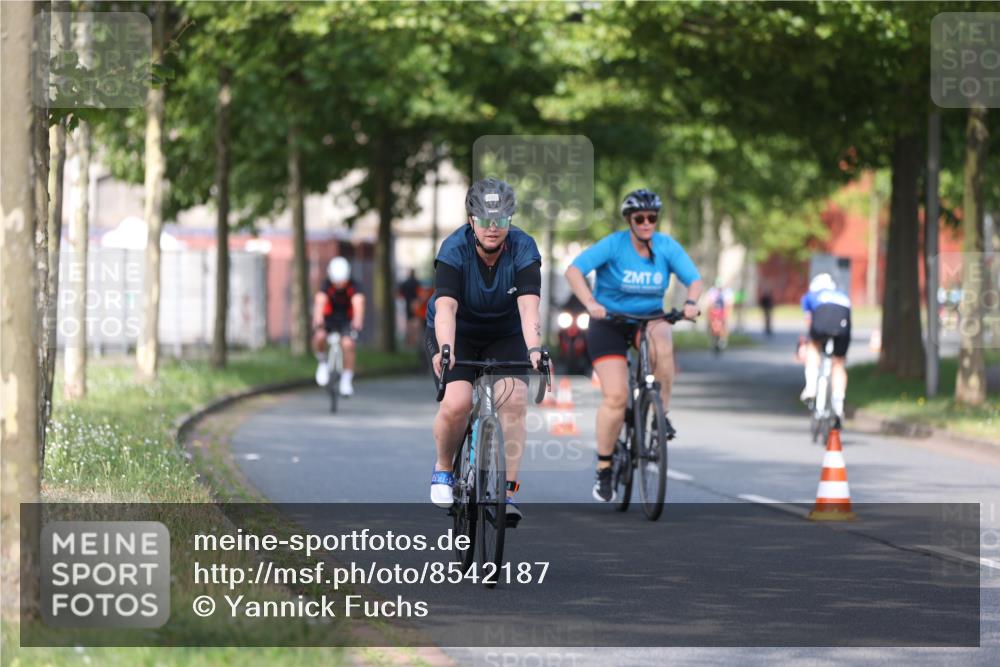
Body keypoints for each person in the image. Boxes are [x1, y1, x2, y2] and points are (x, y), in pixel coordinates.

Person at [565, 188, 703, 503]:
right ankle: (604, 468)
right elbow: (574, 271)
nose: (646, 223)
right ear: (629, 220)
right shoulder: (614, 245)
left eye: (651, 218)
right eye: (639, 218)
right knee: (615, 397)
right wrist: (590, 303)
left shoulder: (667, 247)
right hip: (609, 320)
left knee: (663, 345)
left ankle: (660, 413)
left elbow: (693, 279)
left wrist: (692, 302)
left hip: (650, 318)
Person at [425, 177, 544, 526]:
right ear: (471, 220)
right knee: (458, 401)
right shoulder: (453, 249)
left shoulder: (524, 248)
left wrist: (535, 349)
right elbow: (445, 308)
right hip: (456, 331)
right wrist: (446, 350)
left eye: (502, 220)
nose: (493, 228)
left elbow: (528, 309)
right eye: (485, 219)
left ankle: (507, 492)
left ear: (511, 220)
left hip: (504, 333)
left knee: (516, 398)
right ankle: (444, 468)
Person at [799, 272, 851, 421]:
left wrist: (807, 342)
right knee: (839, 363)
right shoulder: (842, 295)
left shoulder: (811, 295)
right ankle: (838, 404)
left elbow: (809, 321)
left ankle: (811, 387)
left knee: (813, 347)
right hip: (843, 322)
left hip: (822, 319)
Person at [312, 257, 365, 396]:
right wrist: (318, 320)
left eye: (342, 281)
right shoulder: (326, 285)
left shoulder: (354, 286)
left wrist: (357, 323)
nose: (339, 284)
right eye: (336, 281)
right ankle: (322, 363)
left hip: (346, 320)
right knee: (319, 337)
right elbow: (320, 302)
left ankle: (346, 380)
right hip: (329, 319)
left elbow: (358, 303)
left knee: (348, 344)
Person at [705, 279, 733, 349]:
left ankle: (723, 340)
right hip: (714, 312)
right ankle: (712, 339)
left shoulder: (727, 292)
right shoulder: (712, 291)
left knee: (724, 324)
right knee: (711, 325)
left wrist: (727, 314)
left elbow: (728, 304)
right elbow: (709, 303)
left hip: (722, 311)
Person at [399, 269, 421, 347]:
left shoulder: (405, 283)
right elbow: (420, 293)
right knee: (415, 322)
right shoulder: (417, 283)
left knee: (408, 323)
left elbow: (400, 293)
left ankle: (409, 341)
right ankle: (414, 340)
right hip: (416, 303)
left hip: (407, 303)